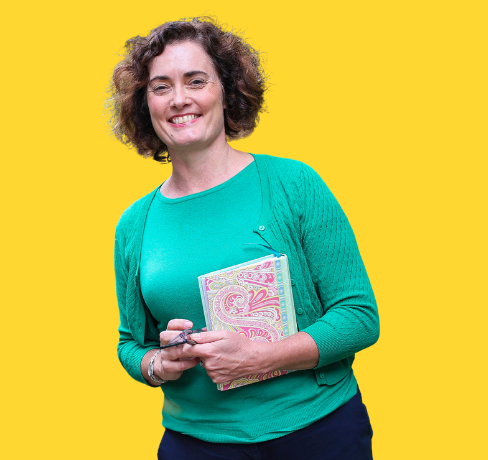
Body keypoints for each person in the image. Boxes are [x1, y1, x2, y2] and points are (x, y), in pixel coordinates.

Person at [109, 17, 379, 459]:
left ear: (227, 90)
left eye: (196, 81)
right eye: (161, 87)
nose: (179, 100)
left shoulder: (294, 184)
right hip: (196, 445)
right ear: (145, 104)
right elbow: (129, 344)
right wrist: (159, 363)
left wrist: (263, 358)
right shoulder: (135, 224)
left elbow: (358, 317)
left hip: (317, 434)